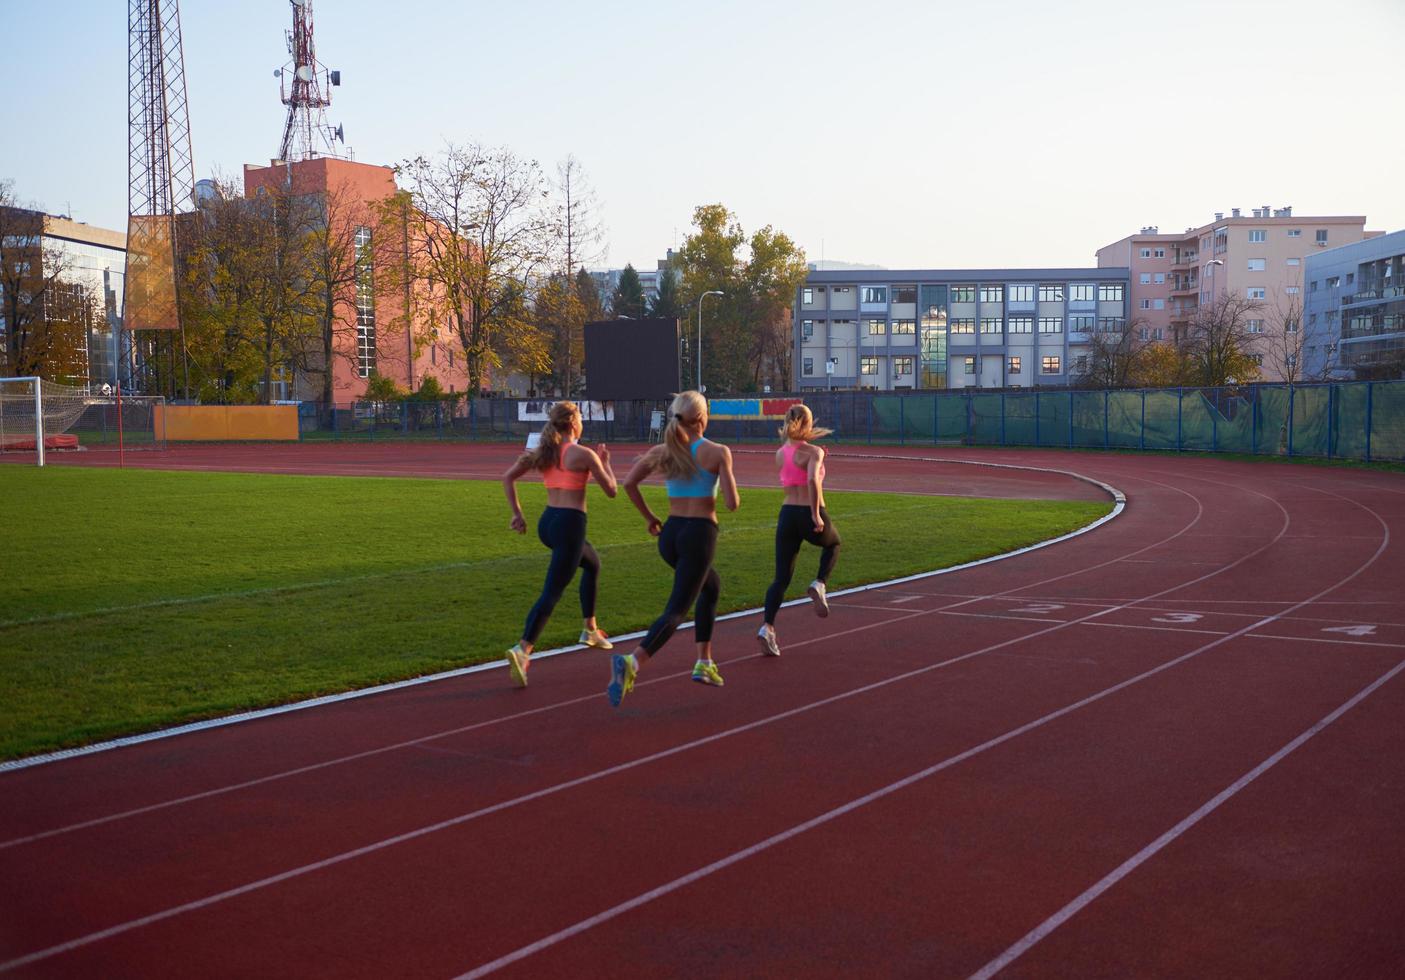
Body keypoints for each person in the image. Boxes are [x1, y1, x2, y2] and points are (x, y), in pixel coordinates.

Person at [607, 390, 740, 707]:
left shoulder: (663, 450)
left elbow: (629, 484)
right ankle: (633, 662)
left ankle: (704, 663)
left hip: (671, 535)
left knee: (711, 586)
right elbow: (733, 504)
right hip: (699, 534)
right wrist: (725, 478)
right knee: (676, 611)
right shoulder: (717, 451)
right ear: (702, 418)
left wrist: (650, 517)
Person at [501, 401, 617, 688]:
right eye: (580, 418)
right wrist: (605, 464)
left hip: (548, 523)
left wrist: (518, 513)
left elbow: (508, 477)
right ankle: (523, 649)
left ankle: (590, 628)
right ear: (574, 423)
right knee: (552, 591)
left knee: (592, 564)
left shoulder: (544, 452)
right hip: (569, 525)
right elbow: (612, 490)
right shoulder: (584, 454)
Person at [757, 403, 841, 657]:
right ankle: (819, 583)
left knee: (781, 578)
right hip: (807, 511)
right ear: (806, 423)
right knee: (833, 544)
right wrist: (816, 514)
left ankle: (767, 627)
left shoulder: (781, 452)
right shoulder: (814, 452)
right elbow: (812, 480)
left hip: (787, 516)